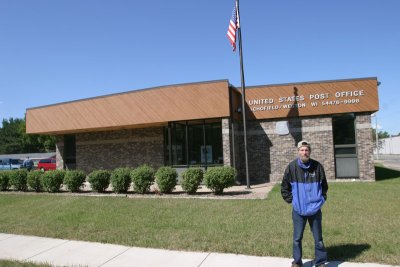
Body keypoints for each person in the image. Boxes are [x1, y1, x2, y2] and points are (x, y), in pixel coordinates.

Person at [281, 140, 328, 267]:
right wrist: (293, 201)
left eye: (306, 150)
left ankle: (320, 262)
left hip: (315, 210)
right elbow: (284, 188)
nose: (304, 152)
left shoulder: (318, 167)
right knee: (297, 239)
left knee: (318, 239)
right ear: (298, 152)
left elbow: (324, 186)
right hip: (298, 210)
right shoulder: (291, 167)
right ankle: (297, 261)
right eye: (302, 150)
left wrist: (321, 199)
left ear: (310, 151)